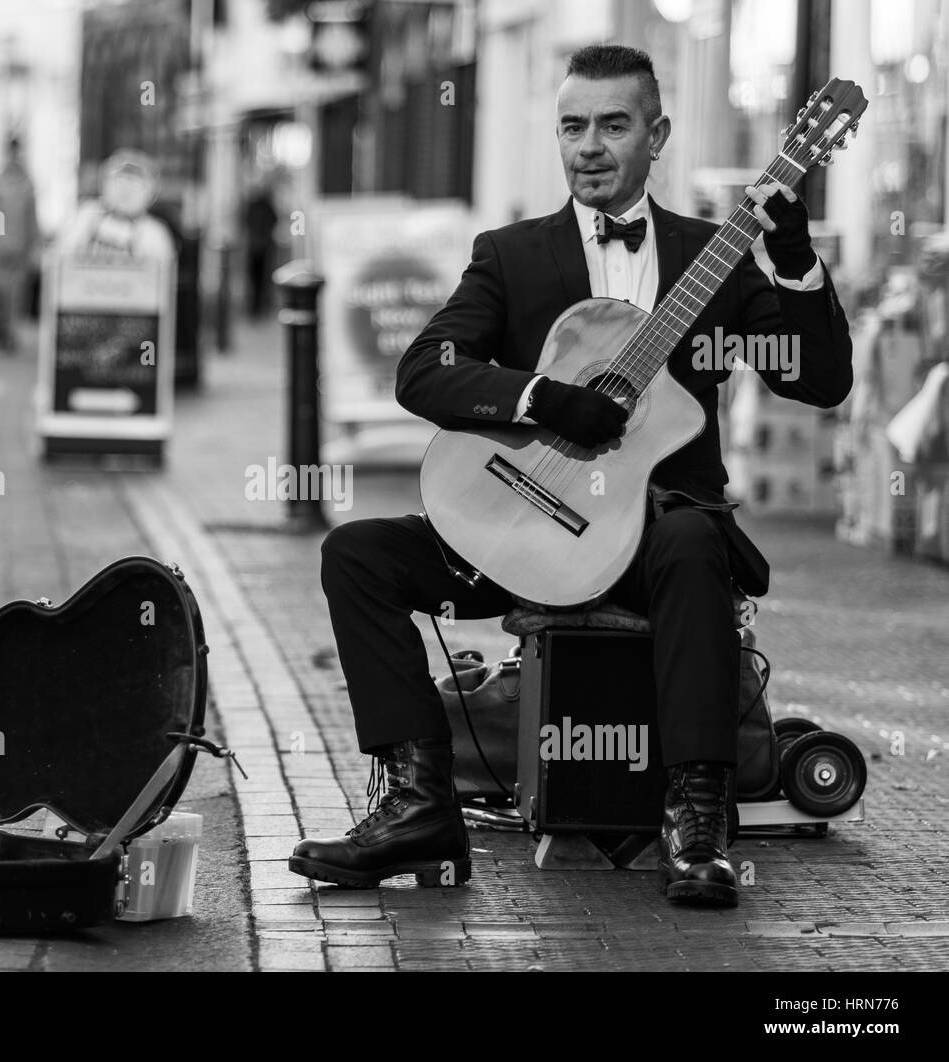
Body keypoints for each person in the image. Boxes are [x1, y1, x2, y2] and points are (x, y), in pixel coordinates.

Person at [289, 45, 853, 908]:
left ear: (656, 134)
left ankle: (696, 823)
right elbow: (423, 371)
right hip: (524, 525)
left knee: (697, 537)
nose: (589, 145)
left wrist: (796, 261)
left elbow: (818, 381)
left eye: (613, 125)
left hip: (652, 536)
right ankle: (417, 806)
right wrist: (543, 398)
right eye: (573, 125)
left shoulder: (717, 255)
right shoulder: (512, 256)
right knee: (357, 554)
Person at [0, 136, 39, 353]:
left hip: (20, 248)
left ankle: (9, 333)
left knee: (15, 295)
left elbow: (31, 218)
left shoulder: (27, 185)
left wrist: (34, 245)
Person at [242, 179, 279, 319]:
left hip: (255, 247)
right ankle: (259, 306)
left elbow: (246, 221)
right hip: (263, 247)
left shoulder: (253, 207)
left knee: (254, 278)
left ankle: (255, 307)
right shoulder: (266, 207)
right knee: (261, 278)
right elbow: (274, 220)